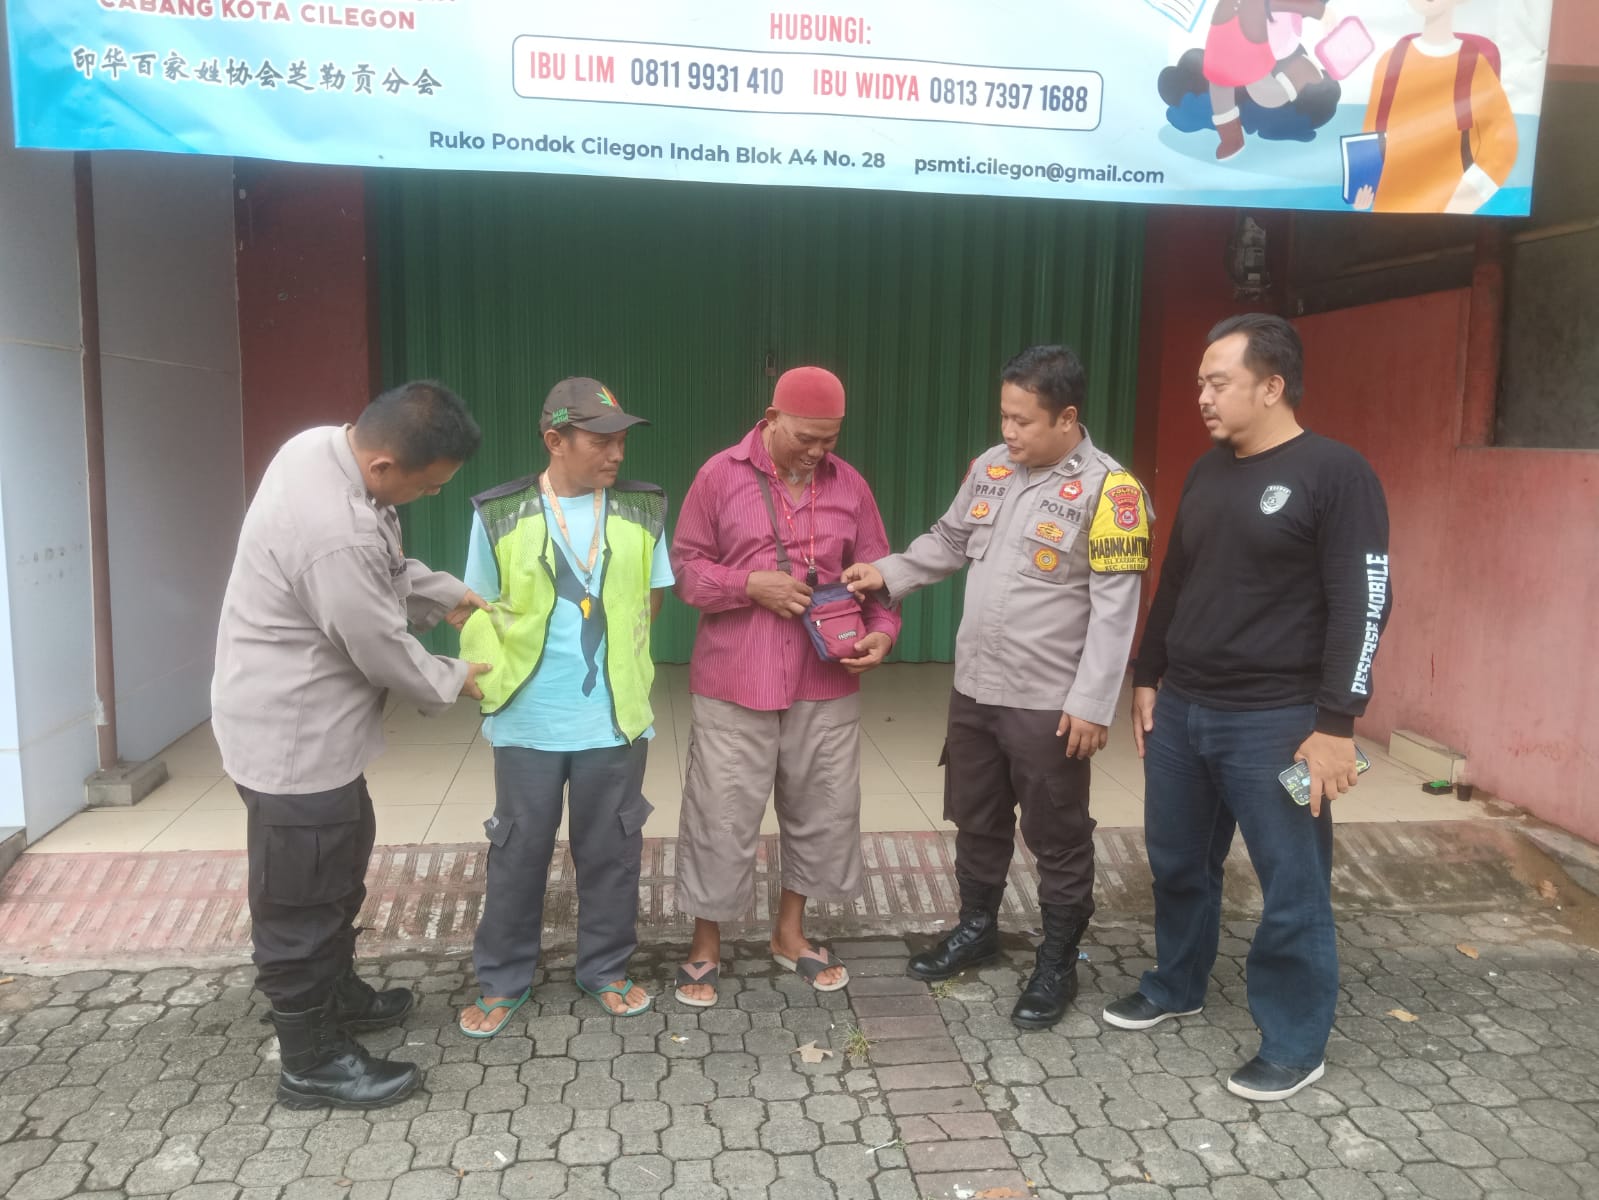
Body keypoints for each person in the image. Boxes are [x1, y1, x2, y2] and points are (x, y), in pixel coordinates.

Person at [1102, 314, 1391, 1103]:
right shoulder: (1207, 471)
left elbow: (1363, 600)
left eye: (1217, 382)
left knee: (1290, 883)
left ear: (1271, 386)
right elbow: (1176, 579)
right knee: (1176, 861)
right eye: (1199, 382)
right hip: (1185, 709)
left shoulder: (1336, 474)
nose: (1201, 396)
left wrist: (1335, 724)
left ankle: (1294, 1042)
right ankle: (1176, 983)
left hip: (1277, 720)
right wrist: (1148, 674)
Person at [844, 345, 1150, 1030]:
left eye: (1023, 421)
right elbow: (950, 540)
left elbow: (1115, 608)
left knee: (1057, 835)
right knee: (976, 817)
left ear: (1066, 417)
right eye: (1003, 416)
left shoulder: (1112, 492)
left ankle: (1057, 962)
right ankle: (976, 928)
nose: (1008, 432)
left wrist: (1092, 704)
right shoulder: (991, 467)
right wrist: (888, 572)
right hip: (976, 688)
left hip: (1049, 702)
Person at [212, 381, 490, 1110]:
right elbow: (375, 640)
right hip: (294, 738)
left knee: (338, 864)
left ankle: (335, 992)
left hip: (314, 731)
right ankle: (310, 1062)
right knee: (300, 899)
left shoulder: (319, 448)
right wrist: (457, 678)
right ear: (384, 465)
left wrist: (449, 593)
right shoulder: (333, 528)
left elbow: (382, 570)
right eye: (427, 487)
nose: (429, 497)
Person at [671, 366, 901, 1006]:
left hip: (825, 675)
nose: (817, 451)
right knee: (721, 811)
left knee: (821, 807)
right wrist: (748, 585)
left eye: (829, 439)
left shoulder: (850, 485)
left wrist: (882, 633)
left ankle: (789, 931)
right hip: (735, 675)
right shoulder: (718, 476)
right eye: (805, 437)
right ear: (771, 419)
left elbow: (879, 574)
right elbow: (684, 571)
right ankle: (706, 941)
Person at [455, 378, 672, 1033]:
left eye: (622, 440)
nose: (617, 454)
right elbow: (477, 606)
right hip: (528, 719)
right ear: (555, 440)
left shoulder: (641, 509)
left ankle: (604, 969)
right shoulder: (500, 513)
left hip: (614, 721)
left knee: (611, 851)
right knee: (517, 852)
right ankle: (503, 979)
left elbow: (652, 598)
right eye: (600, 441)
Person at [1353, 0, 1517, 213]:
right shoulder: (1390, 61)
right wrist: (1361, 190)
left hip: (1447, 215)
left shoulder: (1474, 64)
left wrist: (1463, 202)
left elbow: (1502, 146)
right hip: (1387, 210)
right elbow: (1370, 134)